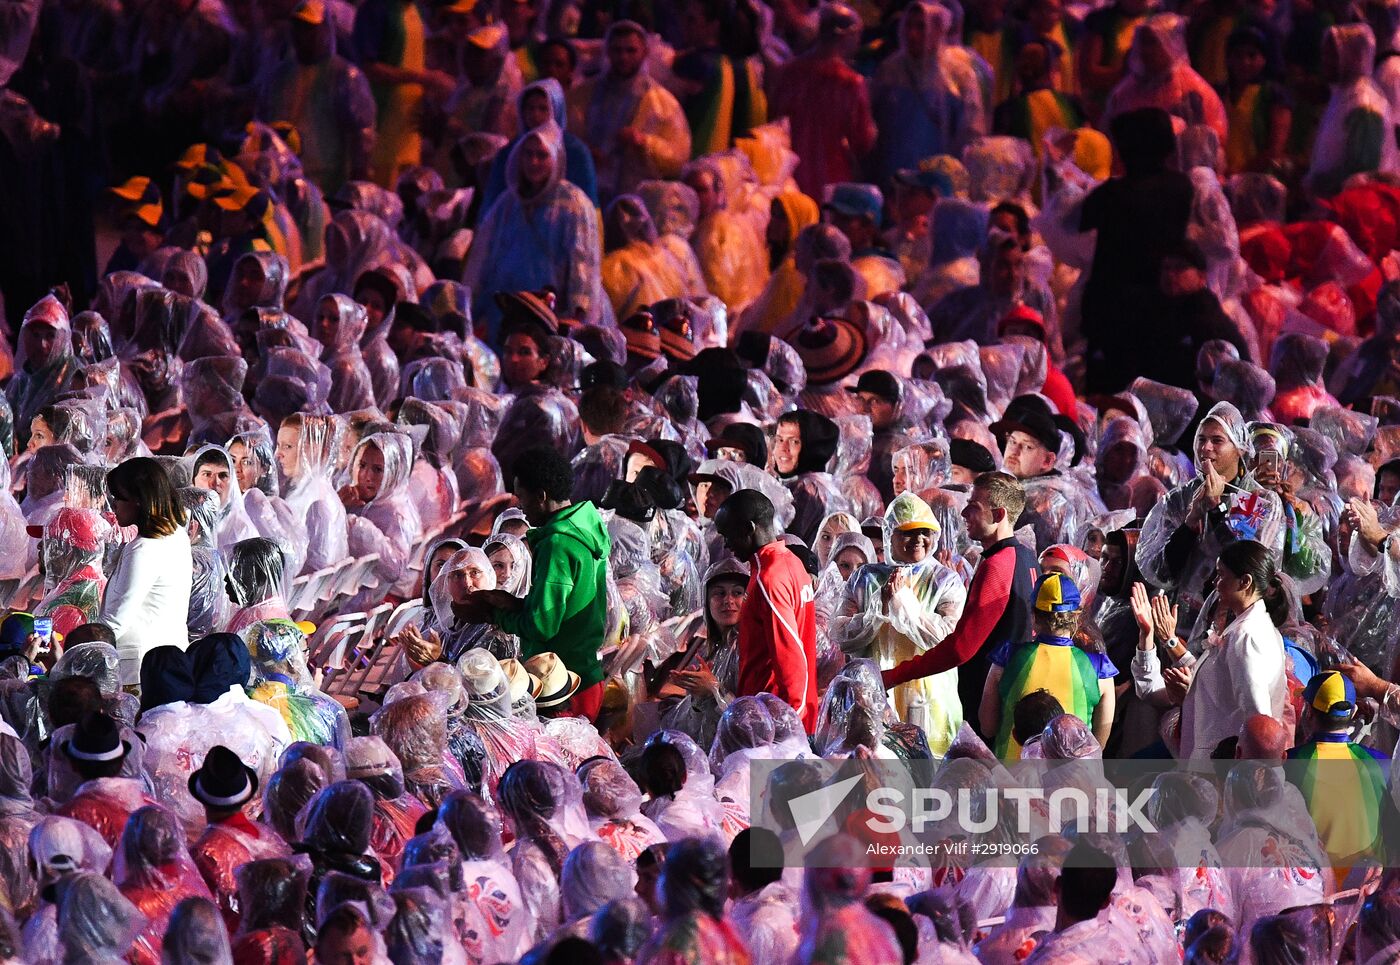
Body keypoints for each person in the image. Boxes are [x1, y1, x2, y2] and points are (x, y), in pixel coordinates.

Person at [457, 446, 611, 720]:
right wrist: (514, 603)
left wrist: (494, 614)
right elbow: (562, 606)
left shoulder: (558, 543)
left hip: (562, 686)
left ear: (541, 496)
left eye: (522, 497)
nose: (520, 506)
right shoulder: (584, 526)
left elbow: (542, 625)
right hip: (585, 675)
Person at [884, 472, 1041, 734]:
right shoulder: (1026, 556)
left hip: (991, 706)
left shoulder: (998, 564)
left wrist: (894, 675)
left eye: (974, 506)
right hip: (1013, 695)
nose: (964, 513)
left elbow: (961, 649)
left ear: (999, 514)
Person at [1131, 539, 1289, 759]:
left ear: (1244, 582)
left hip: (1222, 772)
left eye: (1221, 575)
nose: (1215, 582)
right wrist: (1158, 638)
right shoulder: (1247, 630)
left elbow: (1258, 722)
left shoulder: (1246, 636)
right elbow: (1216, 683)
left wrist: (1249, 779)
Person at [834, 492, 965, 754]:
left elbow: (948, 639)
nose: (918, 540)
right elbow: (841, 635)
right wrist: (878, 610)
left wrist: (902, 602)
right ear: (889, 535)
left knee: (929, 779)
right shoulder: (864, 579)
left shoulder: (945, 581)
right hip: (875, 700)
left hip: (932, 703)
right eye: (907, 532)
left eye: (924, 532)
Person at [464, 123, 606, 337]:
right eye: (528, 154)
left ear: (555, 158)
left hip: (551, 317)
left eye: (542, 155)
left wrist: (578, 315)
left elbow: (583, 264)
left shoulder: (574, 204)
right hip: (504, 314)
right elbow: (484, 259)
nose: (533, 162)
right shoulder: (507, 204)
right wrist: (471, 307)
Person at [713, 488, 819, 730]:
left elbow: (791, 657)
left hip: (773, 723)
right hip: (778, 716)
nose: (727, 545)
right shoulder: (792, 563)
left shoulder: (768, 578)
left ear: (749, 529)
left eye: (728, 535)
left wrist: (793, 730)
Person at [983, 573, 1117, 759]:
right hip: (1069, 784)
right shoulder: (1100, 670)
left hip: (1010, 780)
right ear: (1077, 617)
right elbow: (1097, 748)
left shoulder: (1006, 658)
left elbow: (987, 727)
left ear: (1034, 616)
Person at [258, 0, 375, 195]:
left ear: (326, 31)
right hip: (280, 181)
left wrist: (357, 181)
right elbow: (262, 124)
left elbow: (361, 135)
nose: (302, 36)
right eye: (298, 28)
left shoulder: (344, 76)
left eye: (310, 29)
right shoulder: (279, 76)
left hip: (327, 184)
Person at [568, 20, 691, 201]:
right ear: (607, 51)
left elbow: (679, 157)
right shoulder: (581, 94)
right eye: (617, 50)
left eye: (631, 50)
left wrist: (643, 142)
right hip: (585, 191)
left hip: (637, 198)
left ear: (645, 52)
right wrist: (583, 150)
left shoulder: (663, 104)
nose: (623, 57)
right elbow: (562, 136)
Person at [99, 458, 193, 685]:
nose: (115, 506)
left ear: (139, 500)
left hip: (137, 667)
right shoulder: (176, 534)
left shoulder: (144, 549)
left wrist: (79, 649)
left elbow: (116, 620)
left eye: (119, 498)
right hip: (165, 658)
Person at [767, 3, 876, 199]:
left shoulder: (787, 72)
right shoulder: (850, 83)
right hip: (831, 178)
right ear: (847, 35)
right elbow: (862, 141)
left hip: (786, 172)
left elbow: (773, 121)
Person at [1286, 671, 1389, 876]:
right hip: (1369, 889)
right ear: (1353, 713)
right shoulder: (1382, 763)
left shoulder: (1289, 762)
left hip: (1315, 888)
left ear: (1309, 712)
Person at [275, 413, 349, 575]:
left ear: (312, 449)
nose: (277, 454)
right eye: (278, 445)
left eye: (287, 446)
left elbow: (315, 567)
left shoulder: (317, 501)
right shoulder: (311, 492)